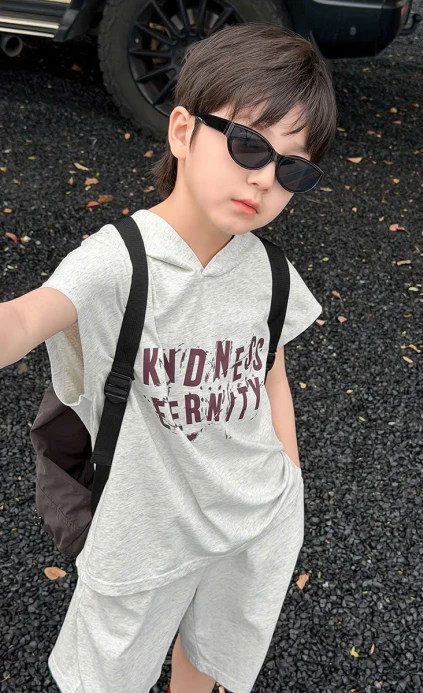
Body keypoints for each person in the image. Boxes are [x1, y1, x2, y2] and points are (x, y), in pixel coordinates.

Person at [0, 21, 337, 693]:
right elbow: (28, 317)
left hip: (251, 519)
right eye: (247, 144)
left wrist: (290, 480)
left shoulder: (268, 270)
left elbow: (269, 370)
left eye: (290, 168)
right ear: (183, 131)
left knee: (206, 660)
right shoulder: (118, 260)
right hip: (142, 534)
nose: (263, 179)